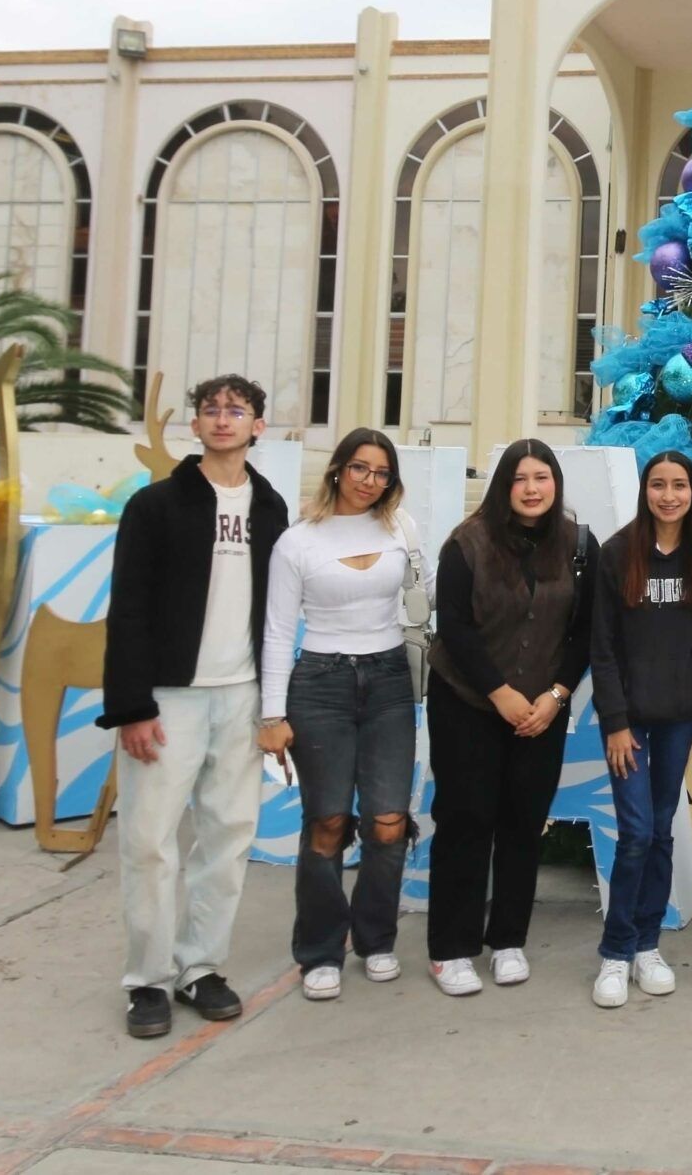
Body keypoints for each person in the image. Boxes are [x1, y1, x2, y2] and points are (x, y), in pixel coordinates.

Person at [98, 373, 289, 1040]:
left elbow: (280, 617)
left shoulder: (271, 508)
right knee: (150, 841)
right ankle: (146, 980)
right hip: (169, 699)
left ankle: (201, 967)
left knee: (227, 836)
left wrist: (276, 704)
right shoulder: (154, 507)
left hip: (242, 696)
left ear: (259, 425)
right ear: (197, 425)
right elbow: (127, 610)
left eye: (237, 410)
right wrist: (131, 705)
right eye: (211, 409)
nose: (223, 419)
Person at [258, 428, 427, 1002]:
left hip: (387, 682)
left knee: (387, 820)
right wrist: (271, 715)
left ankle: (376, 939)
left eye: (381, 473)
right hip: (319, 684)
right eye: (360, 468)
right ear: (337, 470)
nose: (369, 481)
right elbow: (279, 631)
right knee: (327, 822)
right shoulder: (298, 541)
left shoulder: (402, 529)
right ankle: (320, 949)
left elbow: (423, 606)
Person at [426, 438, 598, 997]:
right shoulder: (467, 544)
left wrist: (556, 694)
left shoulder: (579, 546)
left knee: (523, 824)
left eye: (542, 478)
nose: (531, 489)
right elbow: (454, 626)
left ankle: (508, 941)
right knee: (466, 820)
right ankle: (451, 949)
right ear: (503, 485)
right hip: (468, 702)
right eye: (520, 478)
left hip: (541, 711)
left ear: (555, 484)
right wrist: (499, 692)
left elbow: (584, 632)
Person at [586, 450, 692, 1010]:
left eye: (680, 486)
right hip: (630, 725)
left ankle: (648, 946)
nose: (669, 495)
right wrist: (615, 724)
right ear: (646, 491)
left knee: (662, 830)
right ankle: (616, 954)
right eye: (659, 485)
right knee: (637, 832)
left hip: (680, 720)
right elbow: (603, 647)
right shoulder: (618, 553)